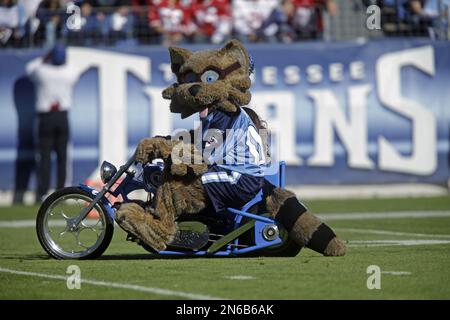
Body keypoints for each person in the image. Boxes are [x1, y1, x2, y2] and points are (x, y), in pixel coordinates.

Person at [26, 43, 79, 202]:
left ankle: (42, 193)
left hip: (46, 117)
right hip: (62, 116)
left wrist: (45, 57)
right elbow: (75, 67)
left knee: (45, 157)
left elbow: (29, 67)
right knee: (62, 157)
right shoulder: (69, 73)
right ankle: (61, 193)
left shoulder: (42, 71)